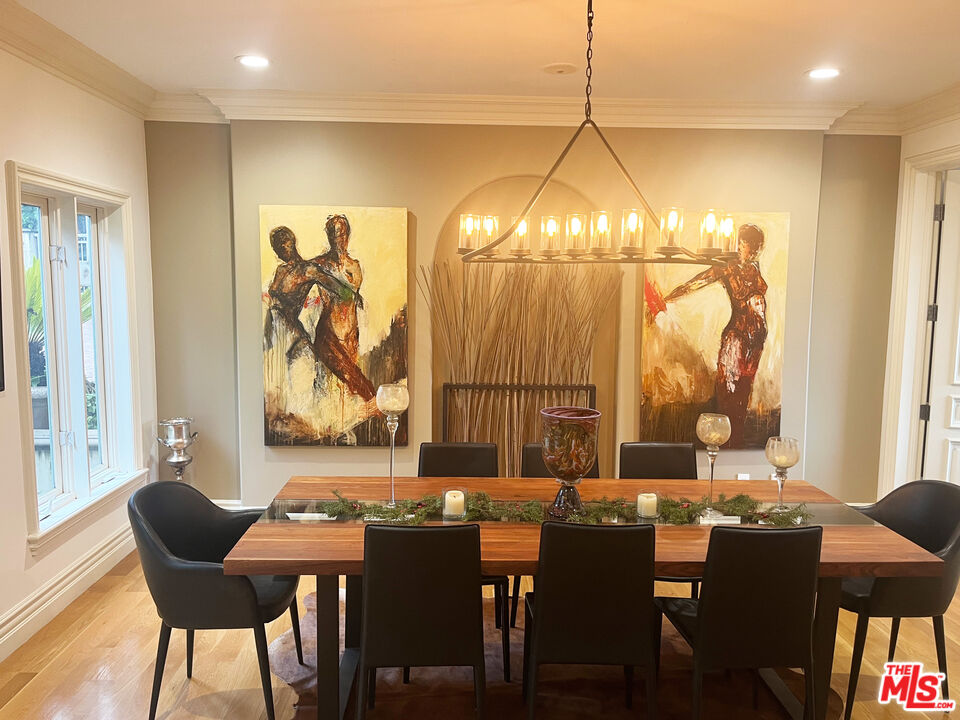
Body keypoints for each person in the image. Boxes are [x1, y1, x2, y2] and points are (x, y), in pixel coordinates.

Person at [664, 223, 767, 447]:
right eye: (739, 242)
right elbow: (695, 283)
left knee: (743, 393)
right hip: (736, 336)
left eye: (746, 243)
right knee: (728, 391)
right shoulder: (726, 267)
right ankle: (724, 442)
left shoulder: (754, 268)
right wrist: (667, 299)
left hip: (756, 340)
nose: (740, 247)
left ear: (755, 247)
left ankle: (734, 441)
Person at [263, 223, 375, 403]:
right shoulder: (280, 270)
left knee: (305, 373)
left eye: (283, 242)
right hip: (272, 327)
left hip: (289, 329)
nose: (281, 248)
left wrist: (353, 295)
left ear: (292, 241)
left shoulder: (309, 269)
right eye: (276, 245)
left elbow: (335, 286)